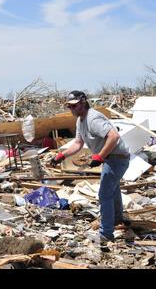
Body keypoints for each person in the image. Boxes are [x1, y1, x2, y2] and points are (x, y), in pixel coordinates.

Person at [51, 91, 130, 243]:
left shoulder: (93, 118)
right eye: (69, 106)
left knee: (104, 194)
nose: (72, 109)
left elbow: (114, 136)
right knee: (113, 189)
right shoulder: (80, 121)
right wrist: (62, 155)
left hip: (117, 158)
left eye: (74, 106)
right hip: (111, 159)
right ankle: (118, 219)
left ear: (83, 102)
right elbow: (78, 144)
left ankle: (106, 234)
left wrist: (100, 155)